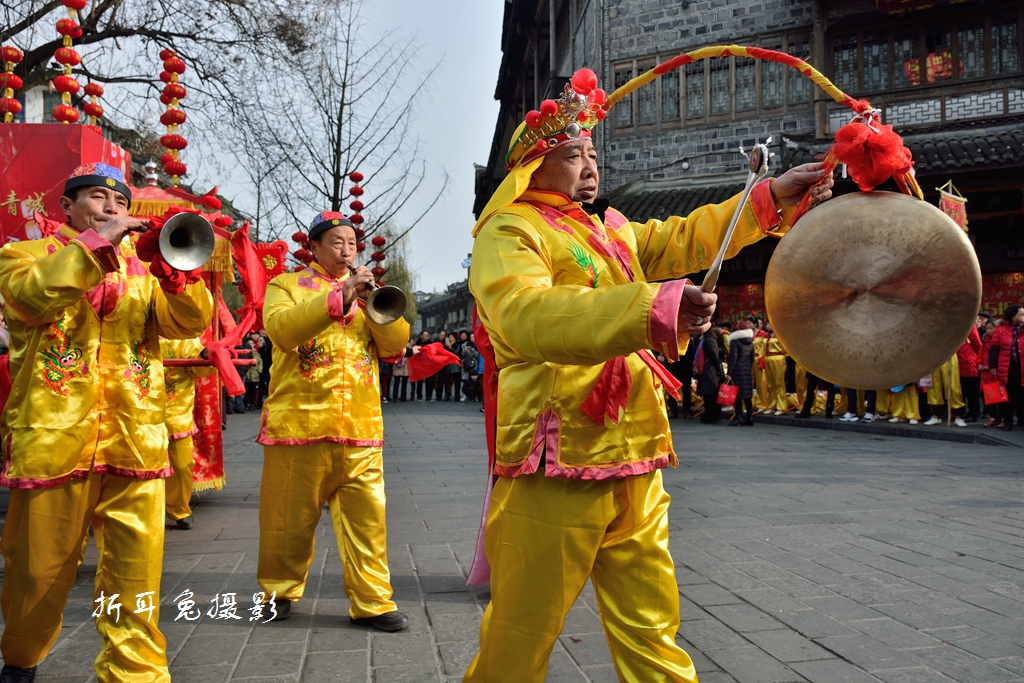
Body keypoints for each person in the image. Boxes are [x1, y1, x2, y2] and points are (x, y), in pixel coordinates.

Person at [463, 68, 832, 682]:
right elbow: (526, 317)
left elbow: (682, 238)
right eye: (572, 155)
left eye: (592, 153)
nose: (589, 166)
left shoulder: (609, 230)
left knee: (653, 628)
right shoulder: (510, 232)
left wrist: (769, 197)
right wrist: (654, 307)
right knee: (520, 635)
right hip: (558, 459)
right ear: (531, 168)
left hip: (636, 451)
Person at [0, 163, 213, 682]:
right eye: (98, 197)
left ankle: (135, 671)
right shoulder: (25, 255)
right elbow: (28, 299)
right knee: (37, 572)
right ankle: (21, 658)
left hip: (135, 438)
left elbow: (191, 322)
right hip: (54, 440)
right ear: (66, 206)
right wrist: (96, 246)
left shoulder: (143, 271)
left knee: (136, 572)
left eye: (120, 201)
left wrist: (174, 276)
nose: (113, 208)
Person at [257, 211, 410, 631]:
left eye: (352, 244)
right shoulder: (285, 285)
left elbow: (395, 347)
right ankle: (278, 590)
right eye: (337, 242)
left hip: (361, 427)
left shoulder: (367, 294)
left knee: (368, 523)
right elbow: (282, 331)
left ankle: (373, 601)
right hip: (298, 426)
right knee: (287, 522)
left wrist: (372, 302)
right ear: (314, 247)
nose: (347, 251)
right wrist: (338, 298)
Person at [162, 336, 216, 530]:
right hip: (139, 416)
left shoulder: (183, 338)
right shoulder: (135, 331)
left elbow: (200, 367)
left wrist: (206, 354)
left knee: (182, 466)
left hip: (176, 416)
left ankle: (179, 509)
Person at [987, 304, 1024, 431]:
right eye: (1020, 314)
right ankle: (1007, 421)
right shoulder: (1001, 330)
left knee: (1022, 395)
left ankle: (1021, 419)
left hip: (1022, 367)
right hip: (1007, 367)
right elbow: (994, 348)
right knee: (1007, 395)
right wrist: (993, 366)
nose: (1022, 317)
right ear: (1012, 316)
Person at [727, 320, 755, 426]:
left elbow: (733, 358)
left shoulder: (735, 341)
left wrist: (729, 372)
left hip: (737, 370)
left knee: (737, 395)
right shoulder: (750, 342)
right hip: (746, 370)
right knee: (747, 396)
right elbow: (752, 358)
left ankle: (739, 417)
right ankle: (750, 417)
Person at [696, 329, 724, 424]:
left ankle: (712, 416)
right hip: (709, 369)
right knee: (709, 395)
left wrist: (718, 368)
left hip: (710, 370)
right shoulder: (707, 340)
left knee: (710, 396)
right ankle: (711, 415)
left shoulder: (708, 340)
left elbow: (714, 356)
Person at [957, 323, 983, 422]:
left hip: (968, 360)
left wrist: (980, 359)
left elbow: (977, 344)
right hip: (959, 360)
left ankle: (973, 412)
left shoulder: (969, 325)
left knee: (971, 390)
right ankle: (963, 411)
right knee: (961, 390)